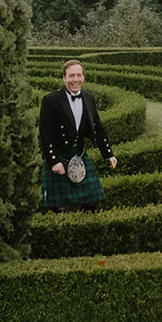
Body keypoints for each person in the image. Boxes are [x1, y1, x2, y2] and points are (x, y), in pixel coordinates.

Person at [39, 59, 118, 211]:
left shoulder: (89, 98)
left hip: (79, 153)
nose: (75, 80)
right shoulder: (51, 100)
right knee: (59, 207)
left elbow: (97, 129)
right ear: (64, 78)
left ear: (83, 77)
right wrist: (54, 161)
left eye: (79, 75)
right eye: (71, 76)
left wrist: (108, 154)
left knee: (91, 200)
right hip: (59, 154)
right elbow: (45, 134)